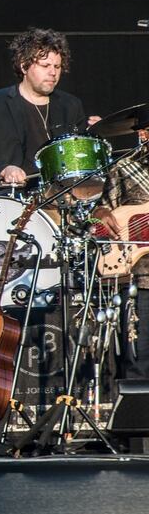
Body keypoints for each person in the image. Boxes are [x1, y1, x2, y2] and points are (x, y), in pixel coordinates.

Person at [0, 27, 97, 195]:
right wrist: (3, 170)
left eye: (57, 66)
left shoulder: (70, 105)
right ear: (24, 66)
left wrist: (94, 135)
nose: (53, 72)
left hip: (60, 199)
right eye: (45, 65)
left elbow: (81, 161)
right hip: (11, 200)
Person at [92, 129, 149, 378]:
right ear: (144, 134)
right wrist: (102, 215)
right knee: (138, 362)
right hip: (141, 276)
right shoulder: (126, 166)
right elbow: (98, 211)